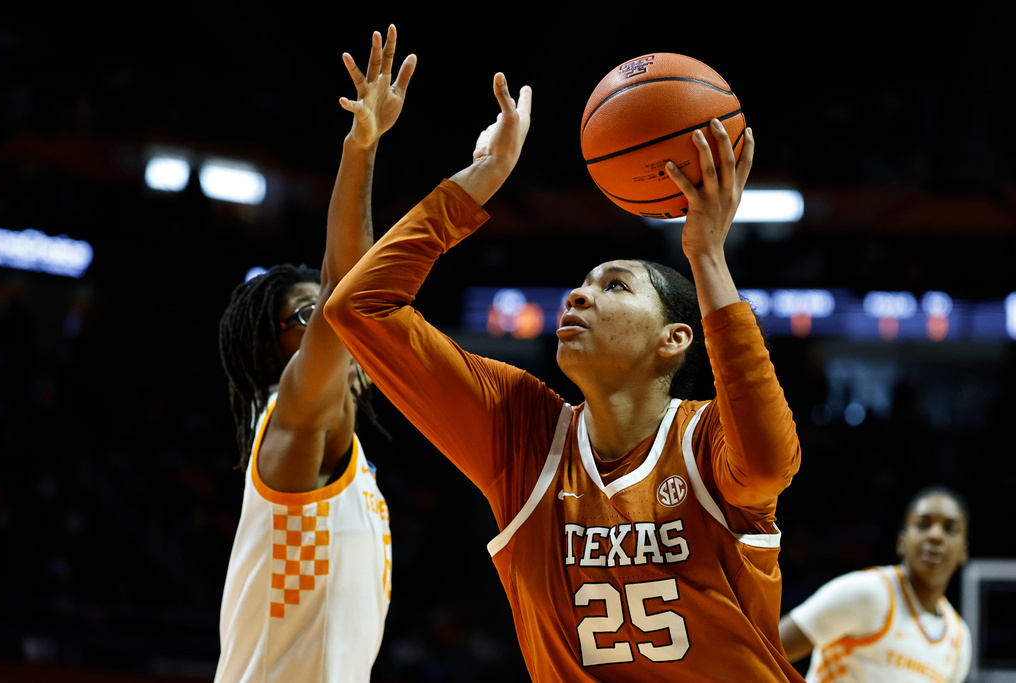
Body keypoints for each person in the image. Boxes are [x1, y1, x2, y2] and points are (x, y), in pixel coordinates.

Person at [327, 69, 806, 682]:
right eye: (578, 285)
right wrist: (479, 181)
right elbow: (359, 309)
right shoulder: (523, 431)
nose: (577, 297)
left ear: (674, 339)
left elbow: (768, 464)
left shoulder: (707, 440)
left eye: (614, 285)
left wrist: (706, 254)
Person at [213, 26, 415, 683]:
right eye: (304, 317)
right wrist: (362, 148)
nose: (327, 322)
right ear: (275, 352)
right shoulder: (291, 427)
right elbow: (346, 298)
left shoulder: (349, 467)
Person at [779, 486, 972, 682]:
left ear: (964, 551)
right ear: (902, 541)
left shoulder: (959, 639)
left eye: (950, 529)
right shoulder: (869, 592)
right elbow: (763, 653)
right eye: (923, 524)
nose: (935, 536)